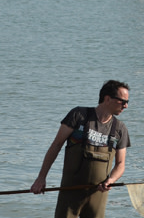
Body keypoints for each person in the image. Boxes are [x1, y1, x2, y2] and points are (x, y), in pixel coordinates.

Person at [32, 80, 133, 218]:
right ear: (107, 98)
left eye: (127, 102)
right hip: (70, 191)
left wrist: (111, 180)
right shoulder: (79, 115)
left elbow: (120, 164)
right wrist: (41, 178)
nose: (126, 106)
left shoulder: (120, 129)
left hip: (98, 194)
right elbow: (56, 146)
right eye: (122, 101)